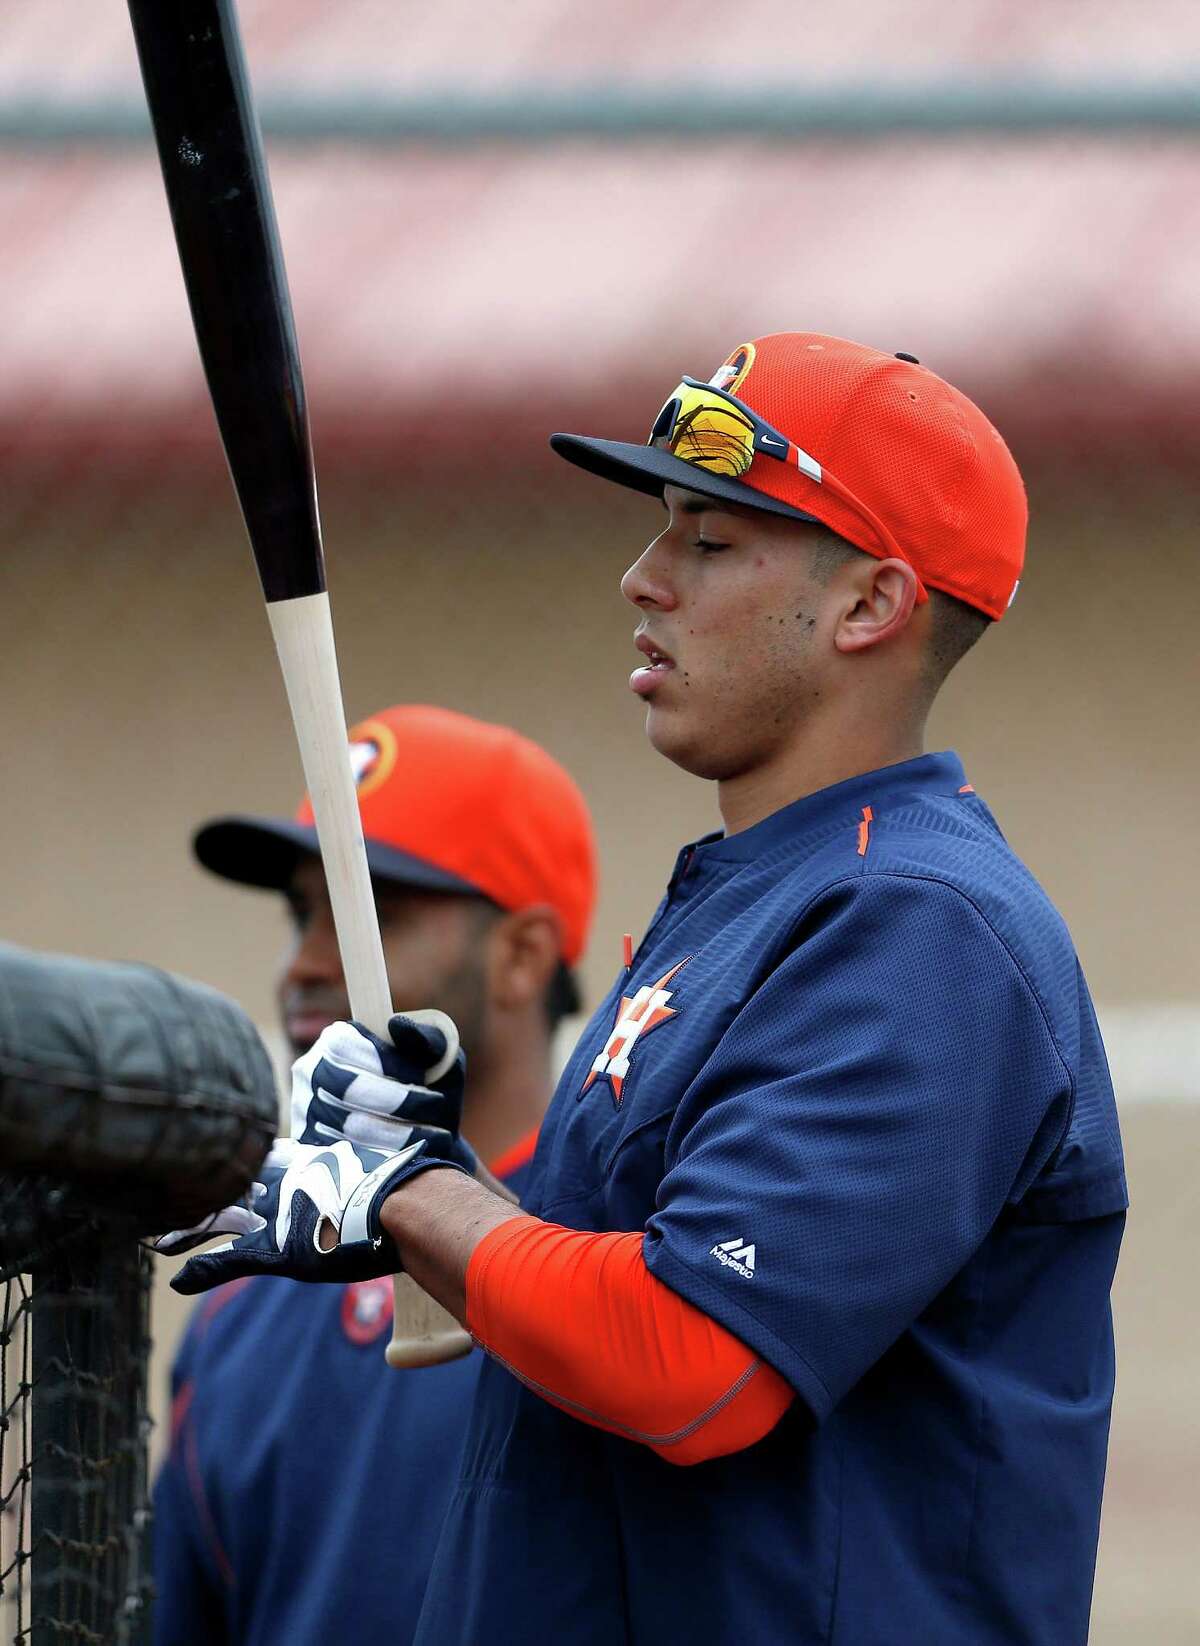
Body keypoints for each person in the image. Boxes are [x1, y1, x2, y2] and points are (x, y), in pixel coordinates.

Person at [175, 335, 1128, 1646]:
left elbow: (692, 1367)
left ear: (871, 604)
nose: (643, 578)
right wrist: (433, 1195)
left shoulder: (917, 919)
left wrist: (408, 1188)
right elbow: (616, 1298)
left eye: (711, 541)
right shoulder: (768, 893)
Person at [152, 703, 597, 1646]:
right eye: (300, 915)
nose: (305, 966)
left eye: (368, 917)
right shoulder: (238, 1304)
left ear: (520, 956)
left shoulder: (616, 1260)